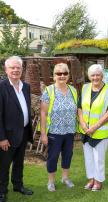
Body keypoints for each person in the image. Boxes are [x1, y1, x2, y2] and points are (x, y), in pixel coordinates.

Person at [0, 56, 34, 202]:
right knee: (4, 165)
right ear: (6, 70)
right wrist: (1, 138)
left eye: (18, 68)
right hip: (7, 137)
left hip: (23, 132)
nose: (16, 70)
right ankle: (2, 192)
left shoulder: (26, 87)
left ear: (22, 69)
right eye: (12, 68)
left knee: (19, 162)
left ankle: (18, 185)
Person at [40, 63, 78, 192]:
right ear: (54, 75)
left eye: (65, 73)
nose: (62, 76)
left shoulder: (73, 90)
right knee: (53, 156)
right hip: (54, 131)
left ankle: (65, 178)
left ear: (68, 75)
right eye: (59, 73)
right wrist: (43, 134)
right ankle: (51, 181)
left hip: (69, 131)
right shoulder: (49, 91)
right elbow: (43, 113)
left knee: (67, 155)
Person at [77, 64, 108, 191]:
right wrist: (82, 123)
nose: (95, 77)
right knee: (88, 157)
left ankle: (98, 181)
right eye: (93, 75)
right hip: (85, 131)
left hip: (100, 132)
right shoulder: (85, 88)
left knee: (99, 158)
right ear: (89, 76)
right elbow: (80, 108)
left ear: (102, 76)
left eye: (98, 75)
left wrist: (94, 127)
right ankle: (91, 178)